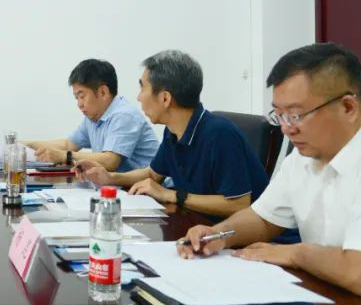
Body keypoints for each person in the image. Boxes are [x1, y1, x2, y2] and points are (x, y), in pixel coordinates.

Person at [179, 43, 361, 305]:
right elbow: (263, 218)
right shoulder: (303, 157)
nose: (286, 129)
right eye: (279, 115)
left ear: (348, 107)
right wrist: (217, 235)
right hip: (328, 300)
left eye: (296, 115)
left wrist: (296, 254)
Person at [76, 50, 268, 218]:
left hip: (249, 239)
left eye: (142, 87)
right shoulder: (173, 131)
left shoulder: (219, 134)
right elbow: (153, 174)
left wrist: (171, 195)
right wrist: (110, 178)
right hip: (200, 226)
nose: (138, 97)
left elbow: (238, 204)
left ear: (165, 98)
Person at [26, 59, 159, 171]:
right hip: (122, 188)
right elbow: (68, 144)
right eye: (76, 98)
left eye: (82, 96)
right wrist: (25, 145)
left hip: (150, 190)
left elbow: (110, 161)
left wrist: (65, 156)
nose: (79, 104)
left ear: (103, 92)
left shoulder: (124, 116)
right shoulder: (94, 117)